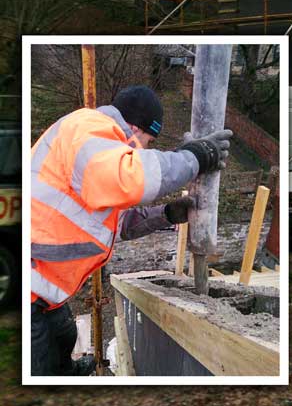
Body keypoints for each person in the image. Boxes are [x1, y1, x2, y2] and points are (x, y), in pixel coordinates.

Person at [30, 85, 232, 376]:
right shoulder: (89, 126)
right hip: (31, 285)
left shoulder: (97, 154)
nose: (147, 149)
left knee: (64, 337)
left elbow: (118, 224)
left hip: (46, 291)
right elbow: (131, 178)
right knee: (40, 368)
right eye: (149, 141)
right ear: (135, 128)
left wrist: (164, 215)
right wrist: (194, 158)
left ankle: (70, 371)